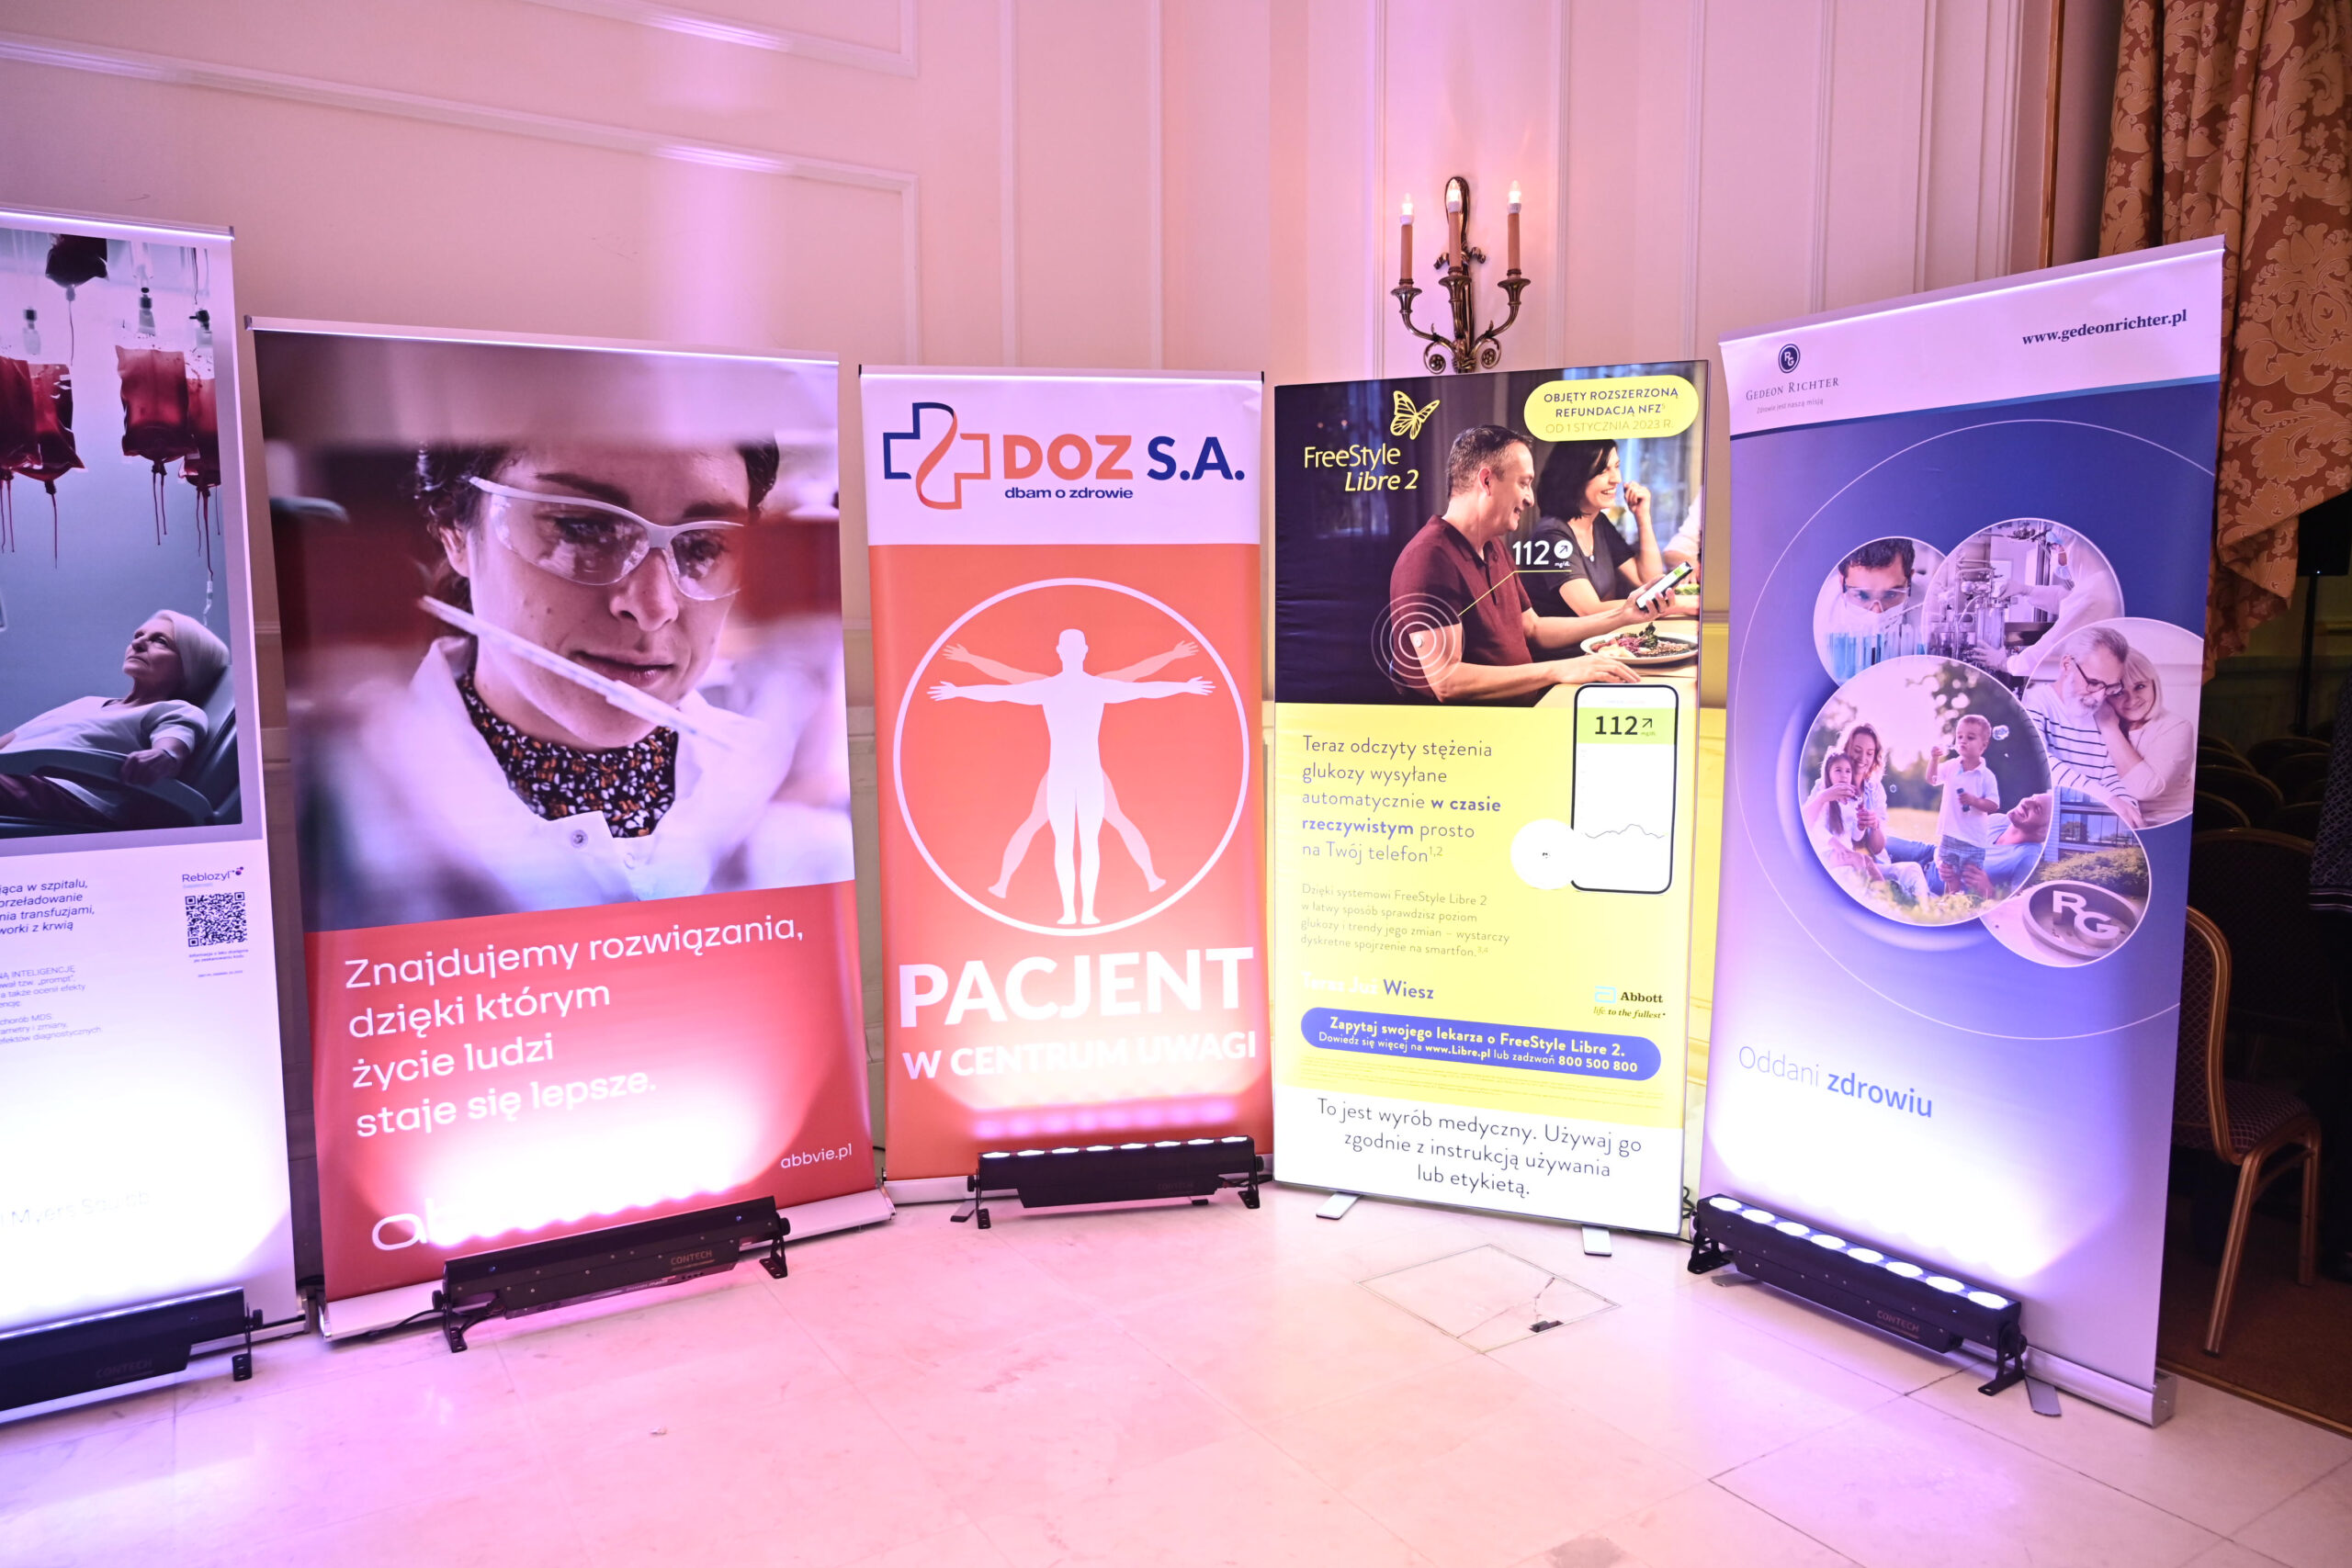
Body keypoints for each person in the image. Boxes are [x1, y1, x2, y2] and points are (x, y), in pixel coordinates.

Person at [309, 439, 853, 926]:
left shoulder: (800, 810)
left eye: (703, 546)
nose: (653, 607)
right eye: (582, 529)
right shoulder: (329, 820)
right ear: (454, 529)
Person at [929, 628, 1210, 926]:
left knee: (1071, 843)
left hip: (1071, 775)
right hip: (1078, 775)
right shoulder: (1087, 687)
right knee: (1082, 843)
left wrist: (960, 687)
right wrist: (1184, 684)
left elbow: (1002, 690)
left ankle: (1078, 911)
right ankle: (1079, 911)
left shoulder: (1060, 688)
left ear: (1062, 651)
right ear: (1079, 651)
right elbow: (1142, 686)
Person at [1385, 426, 1644, 705]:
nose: (1530, 499)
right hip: (1478, 730)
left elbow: (1533, 628)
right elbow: (1447, 682)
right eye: (1523, 483)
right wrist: (1559, 670)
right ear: (1487, 481)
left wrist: (1624, 616)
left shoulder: (1494, 547)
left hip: (1524, 710)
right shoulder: (1430, 558)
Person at [0, 609, 227, 830]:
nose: (138, 643)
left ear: (189, 666)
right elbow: (12, 739)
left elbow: (174, 745)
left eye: (160, 641)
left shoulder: (174, 709)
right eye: (138, 635)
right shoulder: (87, 702)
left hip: (65, 795)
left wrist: (165, 756)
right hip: (14, 777)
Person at [1523, 438, 1699, 622]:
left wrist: (1643, 517)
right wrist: (1681, 603)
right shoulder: (1551, 535)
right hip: (1571, 641)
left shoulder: (1598, 522)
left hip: (1602, 637)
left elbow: (1648, 580)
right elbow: (1590, 610)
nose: (1617, 479)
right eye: (1602, 470)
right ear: (1574, 476)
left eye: (1616, 466)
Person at [2024, 624, 2146, 828]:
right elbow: (2040, 764)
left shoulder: (2103, 714)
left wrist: (2128, 811)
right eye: (2094, 682)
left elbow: (2112, 776)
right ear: (2067, 665)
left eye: (2110, 686)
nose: (2099, 697)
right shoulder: (2034, 702)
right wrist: (2106, 800)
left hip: (2089, 826)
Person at [2092, 646, 2194, 825]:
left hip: (2169, 825)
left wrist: (2108, 727)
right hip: (2120, 825)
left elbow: (2144, 788)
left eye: (2140, 686)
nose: (2132, 699)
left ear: (2153, 684)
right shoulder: (2093, 723)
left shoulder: (2176, 727)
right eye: (2119, 693)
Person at [1819, 539, 1925, 677]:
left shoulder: (1932, 601)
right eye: (1862, 595)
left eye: (1891, 594)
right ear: (1841, 582)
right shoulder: (1821, 613)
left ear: (1909, 580)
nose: (1877, 614)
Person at [1928, 714, 2001, 891]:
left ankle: (1969, 903)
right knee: (1949, 875)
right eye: (1959, 736)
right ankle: (1950, 902)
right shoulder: (1951, 766)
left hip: (1973, 839)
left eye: (1970, 737)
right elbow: (1932, 779)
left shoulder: (1986, 776)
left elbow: (1994, 805)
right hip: (1950, 834)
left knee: (1971, 878)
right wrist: (1934, 760)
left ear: (1983, 745)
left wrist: (1975, 801)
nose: (1962, 741)